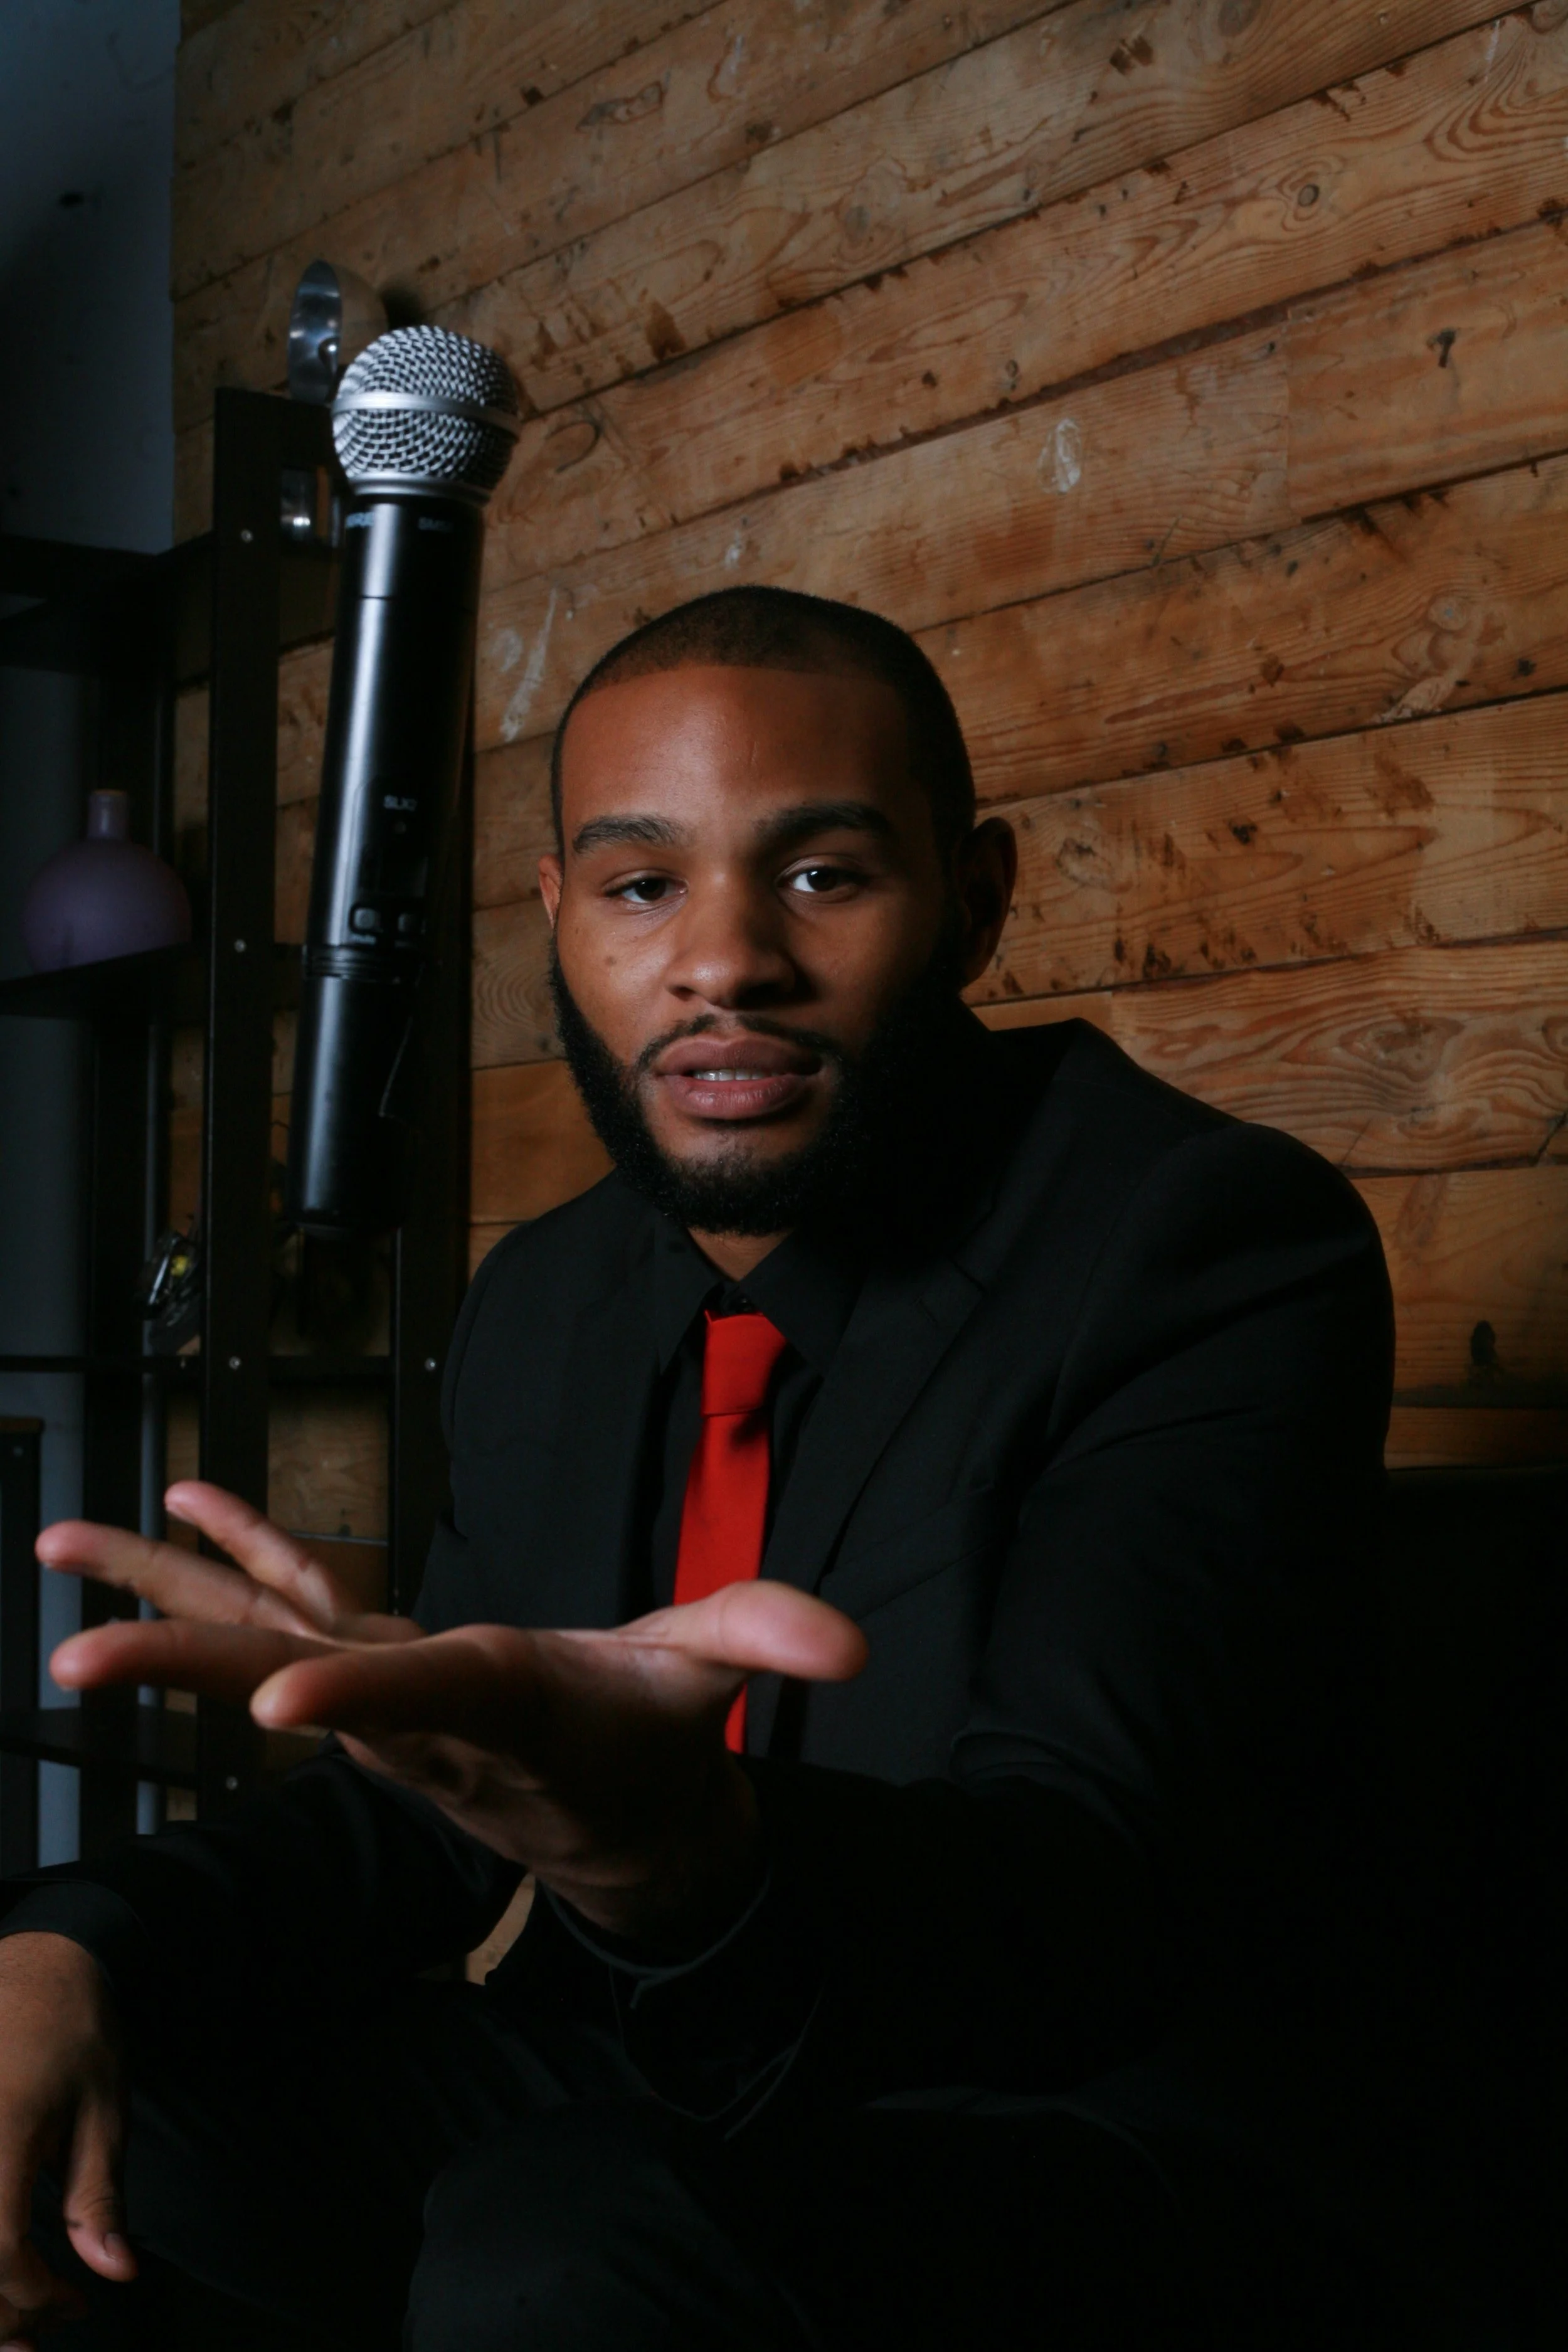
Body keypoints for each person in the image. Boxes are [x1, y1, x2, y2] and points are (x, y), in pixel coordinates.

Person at [0, 587, 1393, 2351]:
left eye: (821, 873)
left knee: (548, 2234)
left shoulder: (1200, 1243)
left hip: (1069, 2127)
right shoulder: (550, 1292)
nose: (720, 959)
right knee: (133, 2126)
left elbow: (1092, 1898)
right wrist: (68, 1944)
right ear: (559, 918)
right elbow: (453, 1788)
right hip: (643, 2070)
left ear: (971, 904)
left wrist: (687, 1850)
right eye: (641, 882)